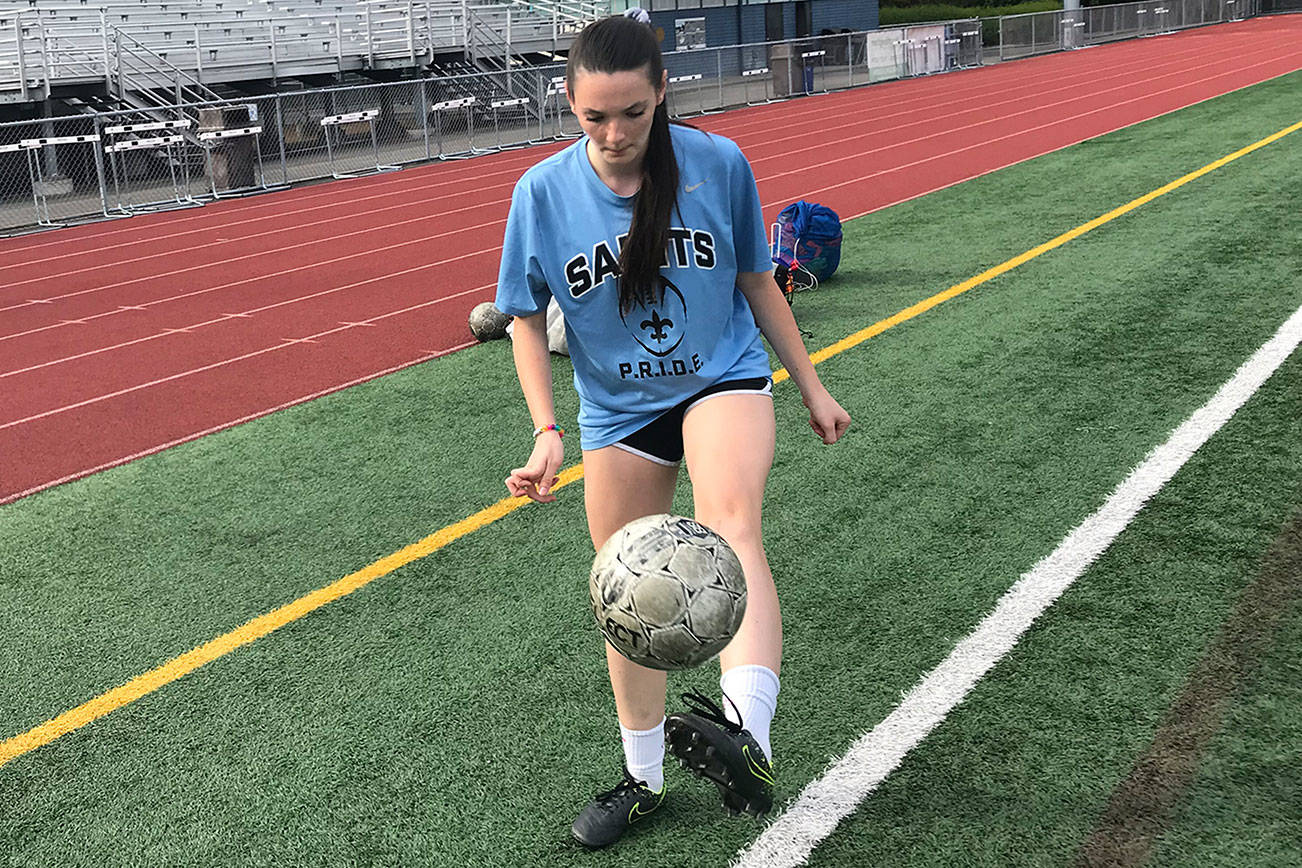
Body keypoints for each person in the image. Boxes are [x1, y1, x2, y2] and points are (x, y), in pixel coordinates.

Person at [494, 15, 850, 849]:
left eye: (632, 114)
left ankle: (747, 739)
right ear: (570, 107)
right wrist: (547, 430)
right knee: (625, 588)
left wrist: (810, 383)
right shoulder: (541, 193)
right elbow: (518, 315)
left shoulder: (718, 165)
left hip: (720, 378)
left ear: (662, 95)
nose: (615, 134)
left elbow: (759, 282)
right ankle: (644, 780)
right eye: (595, 118)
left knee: (730, 525)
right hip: (616, 411)